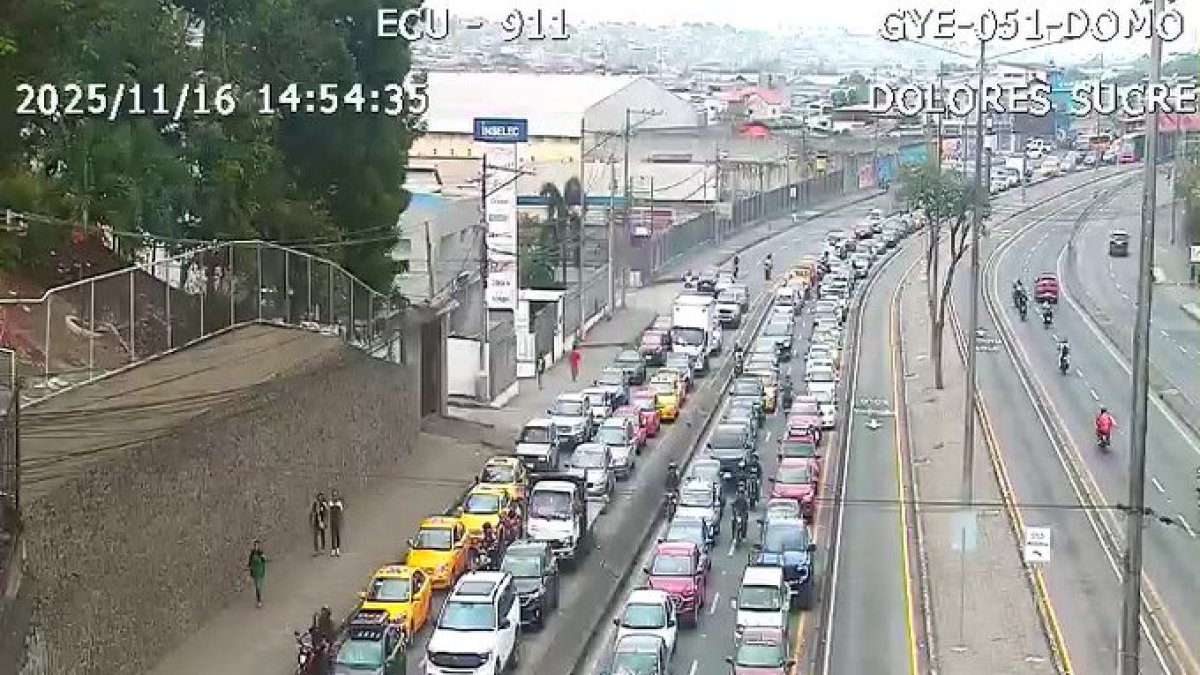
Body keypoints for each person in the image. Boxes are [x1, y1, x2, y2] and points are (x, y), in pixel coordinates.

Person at [247, 539, 268, 608]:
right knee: (257, 587)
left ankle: (259, 600)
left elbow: (264, 560)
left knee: (259, 586)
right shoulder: (252, 553)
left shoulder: (260, 552)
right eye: (254, 545)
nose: (255, 546)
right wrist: (249, 568)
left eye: (256, 545)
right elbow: (250, 562)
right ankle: (259, 600)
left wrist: (264, 557)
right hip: (255, 572)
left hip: (260, 571)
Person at [328, 489, 345, 557]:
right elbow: (329, 509)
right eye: (333, 495)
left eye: (335, 495)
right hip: (332, 521)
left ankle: (338, 549)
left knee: (338, 535)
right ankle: (333, 549)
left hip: (338, 520)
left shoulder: (339, 503)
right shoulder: (330, 502)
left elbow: (341, 511)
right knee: (333, 535)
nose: (334, 497)